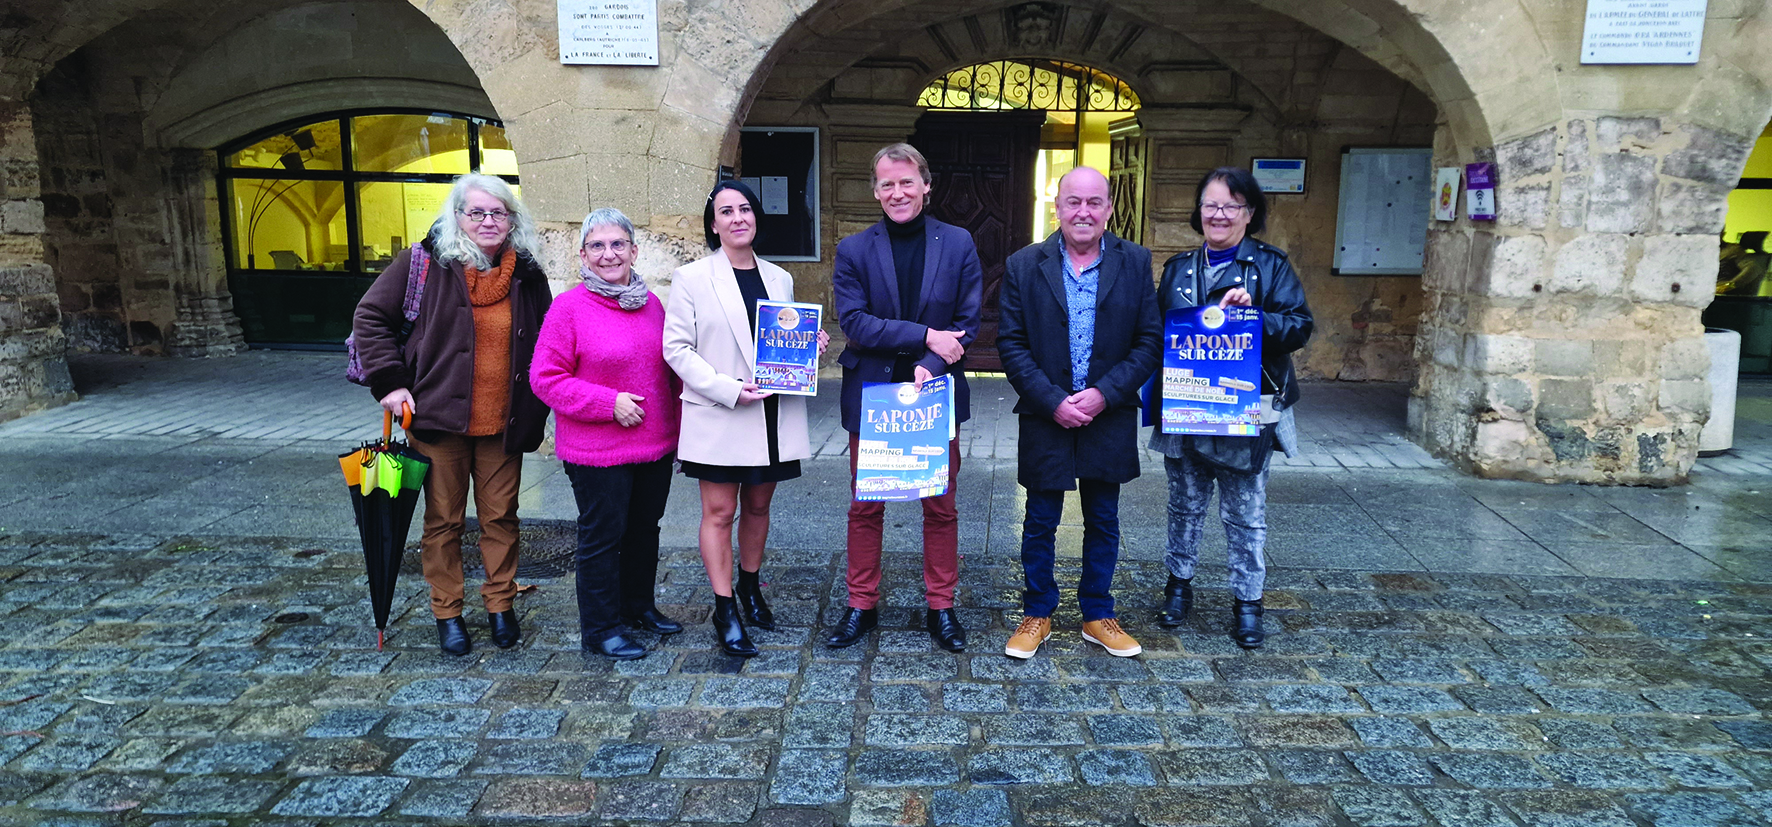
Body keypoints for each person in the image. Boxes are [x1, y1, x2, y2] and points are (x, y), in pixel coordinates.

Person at [352, 173, 552, 656]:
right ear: (457, 216)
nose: (488, 221)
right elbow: (370, 319)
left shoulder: (526, 273)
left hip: (503, 423)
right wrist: (391, 383)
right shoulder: (422, 264)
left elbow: (548, 338)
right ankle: (448, 612)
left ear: (511, 219)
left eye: (498, 212)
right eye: (476, 212)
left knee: (501, 517)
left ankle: (500, 605)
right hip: (437, 418)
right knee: (443, 519)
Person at [996, 166, 1161, 660]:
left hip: (1108, 412)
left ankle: (1097, 613)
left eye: (1094, 202)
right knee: (1040, 517)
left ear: (1109, 208)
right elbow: (1011, 342)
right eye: (1073, 202)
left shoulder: (1134, 262)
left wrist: (1105, 393)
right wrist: (1053, 401)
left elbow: (1149, 340)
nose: (1083, 212)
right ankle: (1039, 612)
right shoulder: (1025, 264)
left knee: (1103, 517)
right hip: (1046, 411)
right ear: (1058, 207)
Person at [826, 143, 983, 652]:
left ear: (926, 185)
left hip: (933, 391)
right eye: (887, 185)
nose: (898, 192)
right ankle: (860, 604)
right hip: (872, 392)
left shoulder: (958, 243)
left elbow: (966, 323)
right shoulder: (854, 249)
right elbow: (855, 323)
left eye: (907, 182)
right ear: (875, 191)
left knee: (940, 504)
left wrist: (932, 359)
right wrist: (924, 336)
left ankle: (941, 606)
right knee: (866, 504)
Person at [663, 180, 828, 657]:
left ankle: (751, 587)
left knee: (758, 507)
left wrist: (809, 348)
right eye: (726, 211)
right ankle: (724, 606)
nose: (737, 218)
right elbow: (676, 349)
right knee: (720, 512)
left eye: (745, 209)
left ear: (756, 217)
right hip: (721, 410)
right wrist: (728, 389)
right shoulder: (691, 277)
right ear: (713, 224)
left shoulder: (779, 277)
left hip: (772, 411)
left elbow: (785, 339)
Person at [1151, 166, 1313, 649]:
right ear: (1198, 212)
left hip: (1247, 407)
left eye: (1231, 206)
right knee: (1184, 504)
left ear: (1249, 214)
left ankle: (1248, 601)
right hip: (1187, 403)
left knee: (1246, 510)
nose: (1219, 215)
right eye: (1210, 205)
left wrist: (1256, 317)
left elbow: (1299, 326)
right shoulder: (1178, 269)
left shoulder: (1270, 266)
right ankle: (1179, 586)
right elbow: (1158, 332)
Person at [531, 208, 683, 660]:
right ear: (583, 254)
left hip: (653, 444)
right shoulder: (569, 308)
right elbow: (546, 378)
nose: (609, 254)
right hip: (597, 451)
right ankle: (600, 628)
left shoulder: (651, 303)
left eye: (618, 244)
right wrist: (607, 403)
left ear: (635, 251)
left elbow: (669, 372)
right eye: (597, 246)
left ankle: (638, 606)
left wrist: (681, 429)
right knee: (602, 537)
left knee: (643, 531)